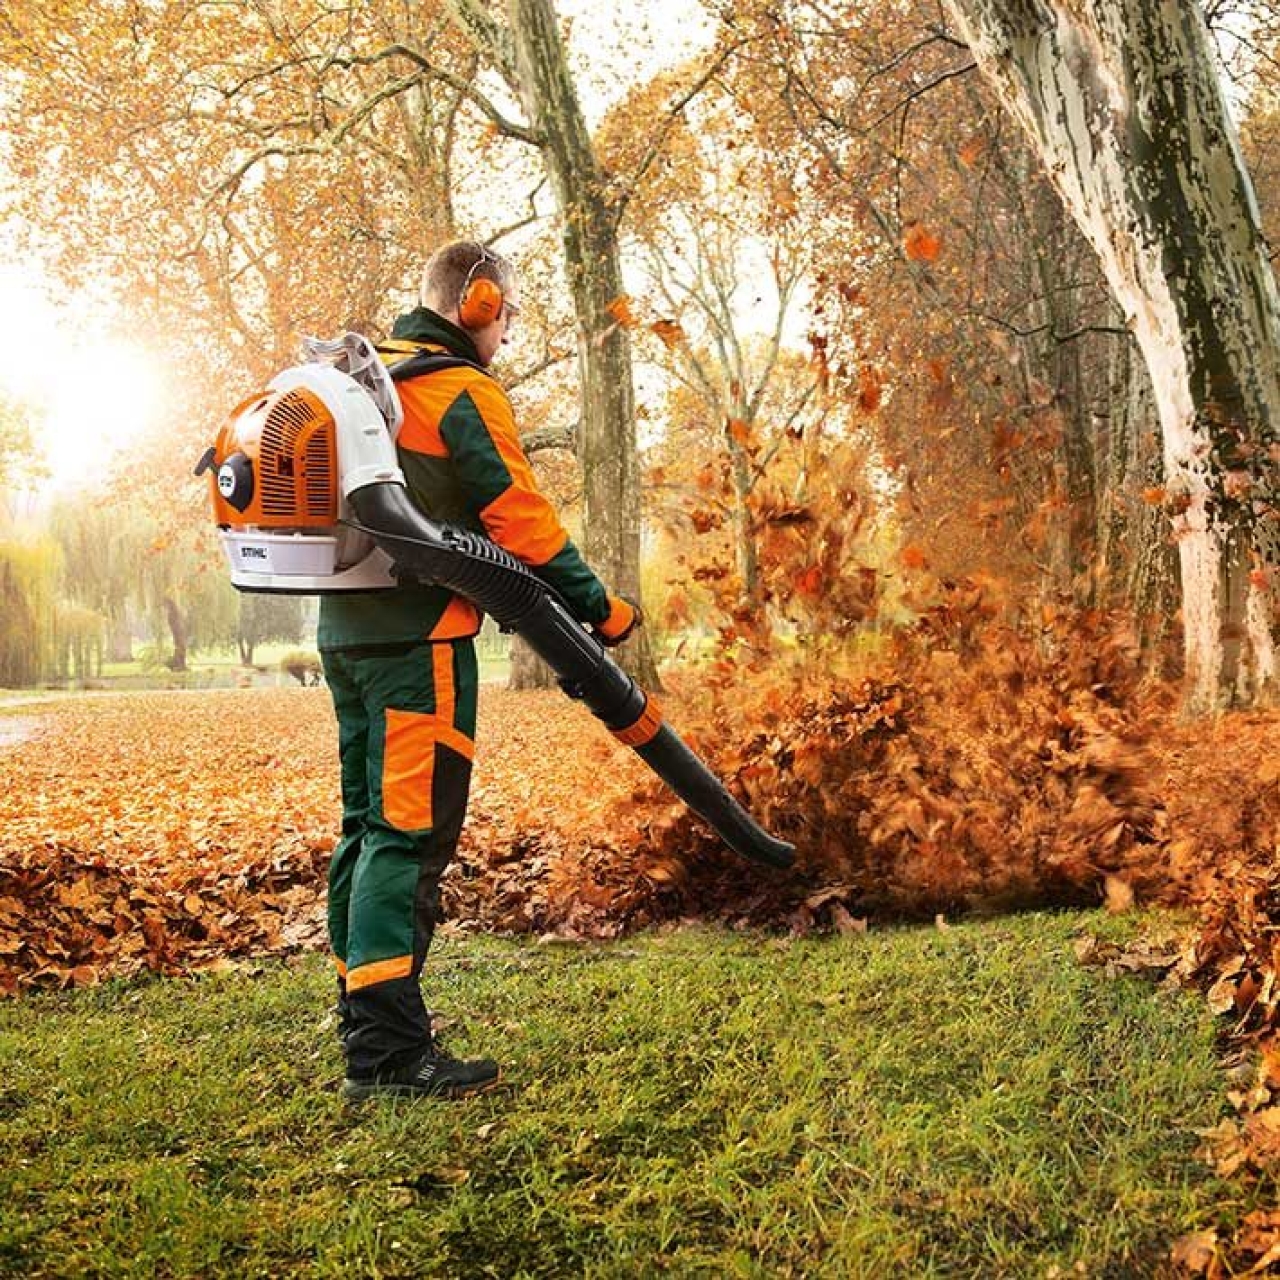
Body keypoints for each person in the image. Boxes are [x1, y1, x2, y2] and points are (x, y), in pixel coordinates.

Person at [320, 240, 641, 1101]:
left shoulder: (364, 376)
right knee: (409, 834)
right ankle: (388, 1052)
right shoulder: (458, 389)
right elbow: (519, 519)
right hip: (419, 642)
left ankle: (363, 1013)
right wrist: (602, 610)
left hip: (344, 635)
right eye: (507, 314)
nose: (507, 332)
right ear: (481, 302)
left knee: (365, 825)